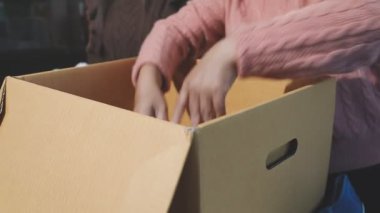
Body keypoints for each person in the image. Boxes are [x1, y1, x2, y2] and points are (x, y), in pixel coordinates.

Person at [132, 0, 380, 211]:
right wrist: (150, 72)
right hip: (266, 165)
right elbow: (178, 26)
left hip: (349, 172)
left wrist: (235, 49)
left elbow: (370, 15)